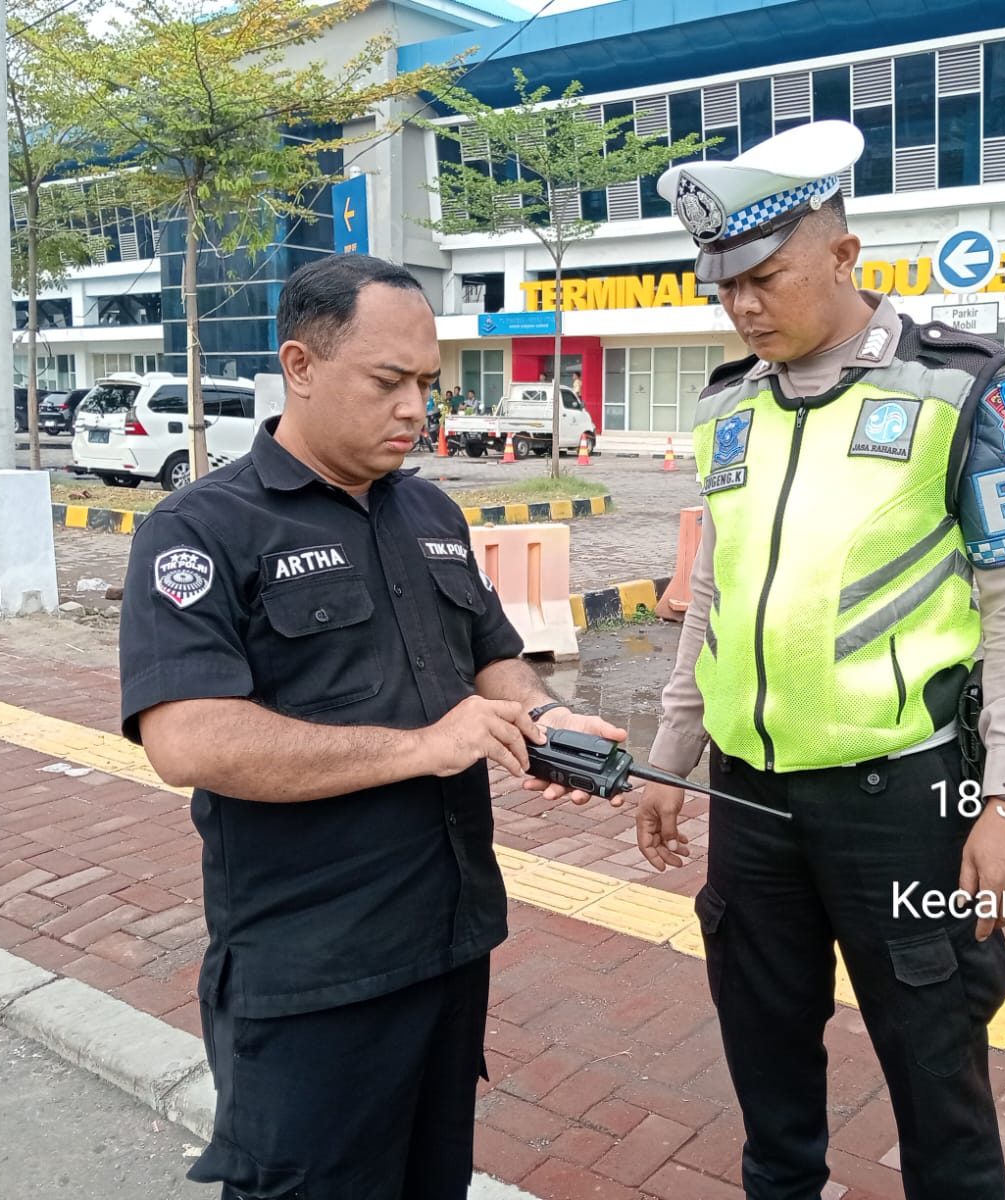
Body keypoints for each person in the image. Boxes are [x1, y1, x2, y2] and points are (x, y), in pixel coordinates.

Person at [118, 253, 624, 1199]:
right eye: (388, 381)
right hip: (312, 972)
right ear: (300, 366)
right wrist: (427, 747)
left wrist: (547, 717)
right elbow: (185, 739)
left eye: (426, 383)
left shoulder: (427, 508)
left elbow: (492, 654)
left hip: (449, 940)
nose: (415, 409)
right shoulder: (201, 529)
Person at [634, 121, 1005, 1199]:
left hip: (902, 806)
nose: (742, 307)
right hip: (749, 801)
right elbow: (715, 590)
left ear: (843, 254)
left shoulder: (962, 388)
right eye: (723, 286)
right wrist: (672, 751)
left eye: (763, 279)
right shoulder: (728, 405)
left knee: (939, 1081)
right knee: (768, 1082)